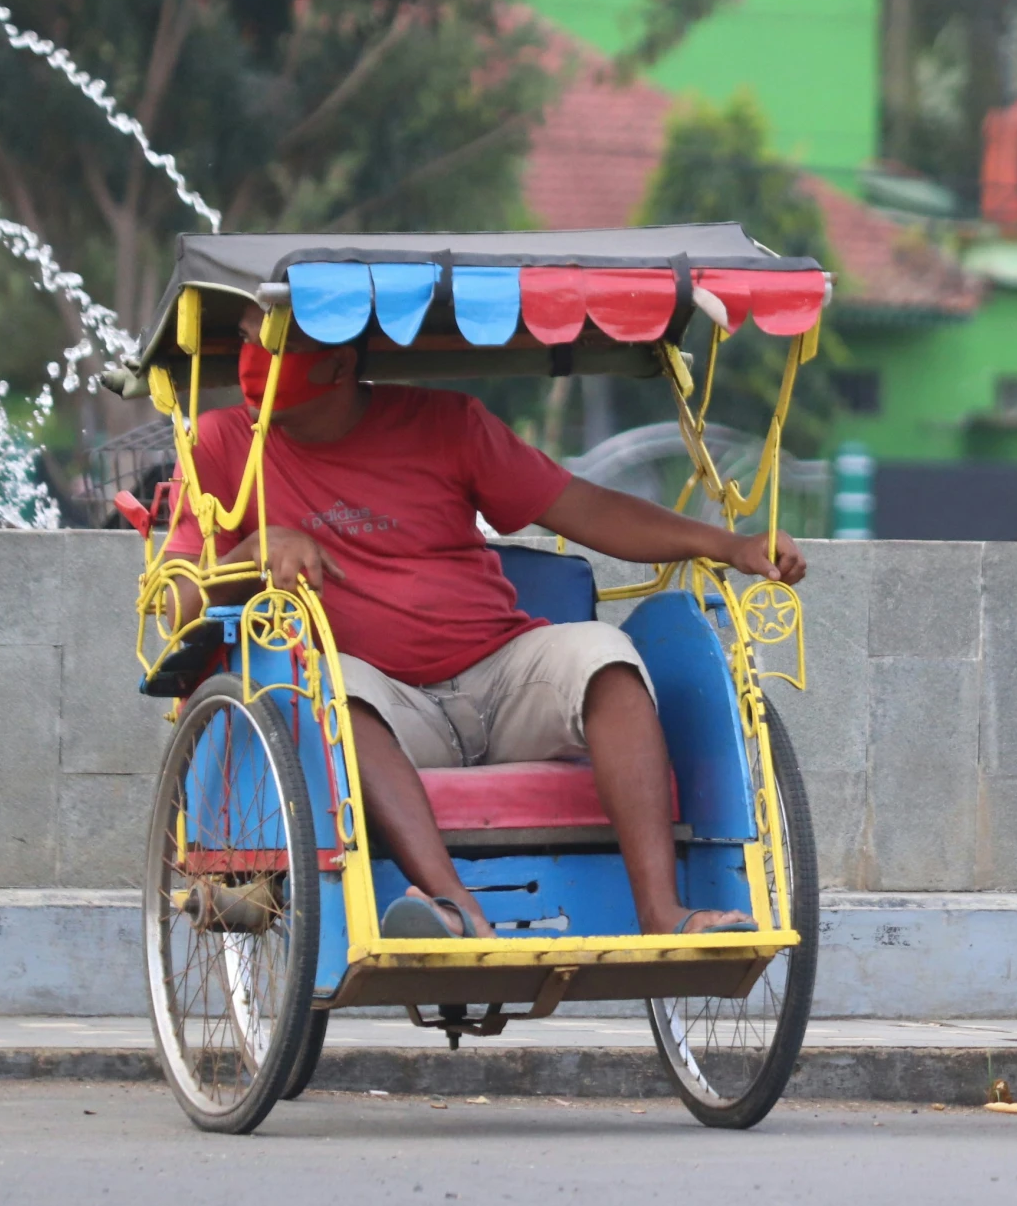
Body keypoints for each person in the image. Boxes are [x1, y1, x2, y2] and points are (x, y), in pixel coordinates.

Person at [163, 309, 806, 941]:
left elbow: (582, 505)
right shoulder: (220, 444)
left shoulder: (446, 424)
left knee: (606, 654)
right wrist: (255, 551)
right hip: (376, 710)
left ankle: (663, 913)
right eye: (248, 339)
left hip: (499, 675)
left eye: (278, 343)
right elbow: (179, 605)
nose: (254, 361)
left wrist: (728, 544)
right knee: (332, 685)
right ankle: (454, 908)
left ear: (339, 361)